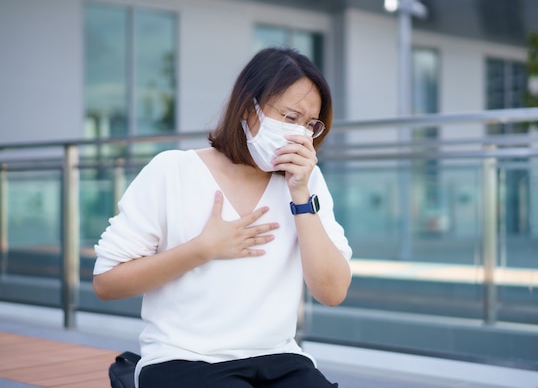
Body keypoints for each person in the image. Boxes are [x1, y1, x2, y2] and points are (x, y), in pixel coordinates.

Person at [93, 47, 353, 388]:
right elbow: (106, 283)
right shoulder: (173, 170)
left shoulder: (307, 182)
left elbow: (332, 292)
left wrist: (301, 196)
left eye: (310, 124)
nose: (300, 134)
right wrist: (202, 249)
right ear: (249, 108)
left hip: (278, 358)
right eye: (290, 118)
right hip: (184, 359)